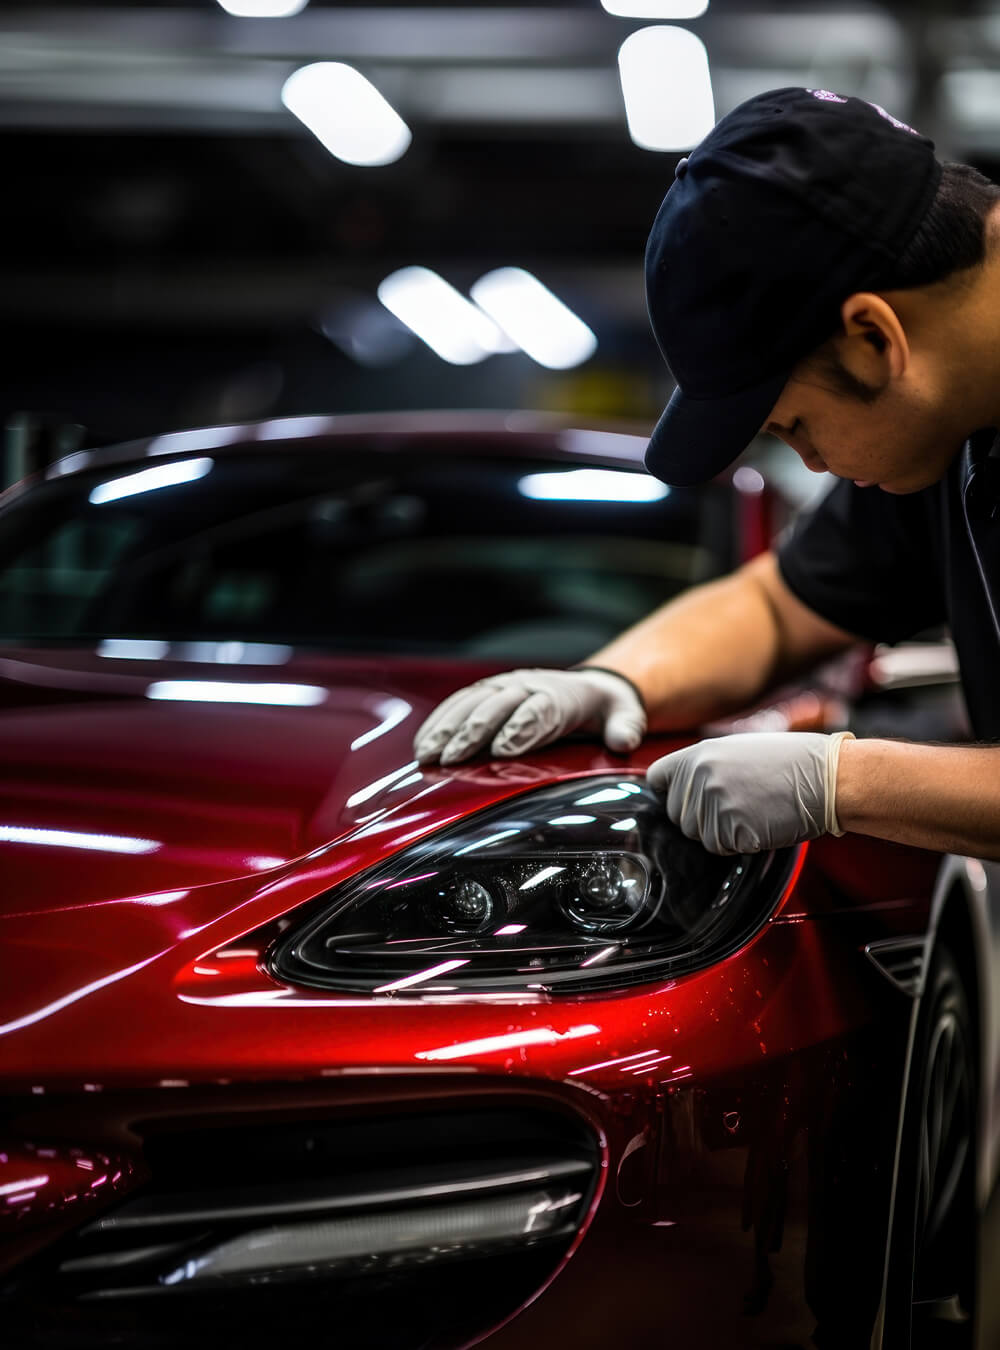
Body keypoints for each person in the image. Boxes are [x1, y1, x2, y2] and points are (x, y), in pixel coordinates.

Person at [414, 87, 1000, 861]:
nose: (811, 461)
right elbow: (781, 608)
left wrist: (844, 783)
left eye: (793, 426)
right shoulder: (943, 421)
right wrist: (614, 682)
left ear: (871, 339)